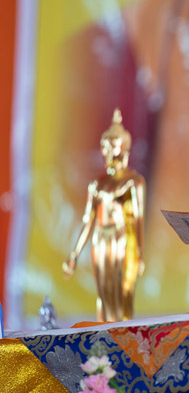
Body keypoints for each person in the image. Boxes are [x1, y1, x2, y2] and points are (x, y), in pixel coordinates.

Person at [63, 109, 146, 322]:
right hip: (101, 238)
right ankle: (104, 339)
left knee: (121, 292)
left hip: (121, 238)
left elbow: (137, 219)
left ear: (123, 147)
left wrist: (139, 251)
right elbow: (87, 220)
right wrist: (74, 254)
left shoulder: (133, 181)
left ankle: (123, 340)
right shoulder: (97, 184)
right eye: (104, 145)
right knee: (103, 292)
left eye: (112, 144)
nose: (106, 150)